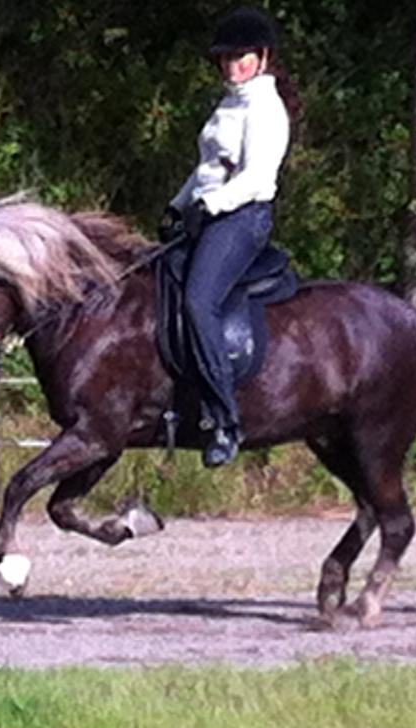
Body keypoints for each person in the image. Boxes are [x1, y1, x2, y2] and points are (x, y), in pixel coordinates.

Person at [159, 7, 292, 467]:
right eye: (226, 58)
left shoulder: (265, 107)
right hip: (210, 214)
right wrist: (178, 206)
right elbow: (206, 170)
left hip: (243, 218)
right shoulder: (229, 104)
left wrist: (208, 207)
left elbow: (257, 177)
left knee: (199, 301)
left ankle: (225, 420)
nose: (233, 66)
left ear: (262, 57)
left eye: (242, 57)